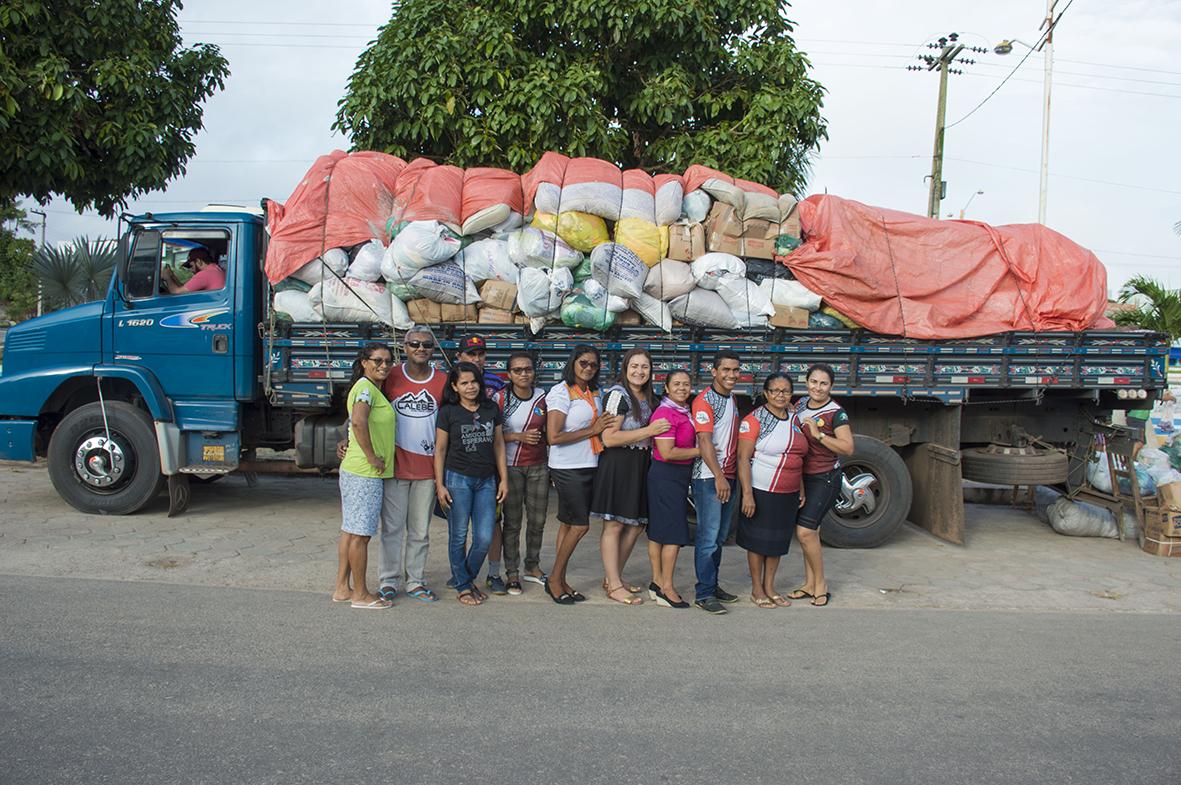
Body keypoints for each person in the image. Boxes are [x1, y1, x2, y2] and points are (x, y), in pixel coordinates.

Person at [339, 326, 447, 603]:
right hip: (394, 467)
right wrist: (346, 436)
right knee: (392, 530)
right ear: (405, 347)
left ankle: (415, 581)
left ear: (433, 349)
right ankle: (388, 581)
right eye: (414, 343)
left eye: (427, 344)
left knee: (420, 531)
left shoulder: (443, 381)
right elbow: (361, 412)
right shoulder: (390, 375)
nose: (421, 349)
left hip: (426, 470)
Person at [591, 348, 670, 605]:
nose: (639, 371)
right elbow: (609, 438)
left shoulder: (649, 397)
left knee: (635, 524)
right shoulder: (618, 394)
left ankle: (613, 577)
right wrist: (648, 430)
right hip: (619, 463)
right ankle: (613, 585)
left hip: (640, 463)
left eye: (644, 367)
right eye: (634, 366)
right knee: (614, 524)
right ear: (625, 368)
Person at [544, 344, 617, 605]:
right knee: (580, 525)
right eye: (583, 363)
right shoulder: (560, 392)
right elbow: (553, 437)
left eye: (593, 365)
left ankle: (561, 579)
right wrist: (593, 430)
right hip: (567, 467)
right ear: (573, 362)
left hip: (590, 464)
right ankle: (554, 579)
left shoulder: (595, 392)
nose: (587, 368)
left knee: (567, 523)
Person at [434, 361, 509, 606]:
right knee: (458, 536)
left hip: (487, 480)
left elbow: (499, 445)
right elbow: (440, 449)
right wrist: (440, 485)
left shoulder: (490, 408)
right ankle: (465, 586)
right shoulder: (448, 412)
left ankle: (463, 577)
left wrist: (503, 480)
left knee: (484, 538)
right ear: (454, 386)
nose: (470, 387)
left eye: (474, 381)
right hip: (457, 479)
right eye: (464, 383)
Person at [736, 373, 810, 608]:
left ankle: (770, 586)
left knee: (777, 542)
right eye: (775, 390)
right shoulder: (755, 420)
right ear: (766, 393)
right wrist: (747, 494)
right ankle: (757, 588)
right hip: (761, 489)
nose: (781, 395)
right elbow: (742, 458)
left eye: (786, 391)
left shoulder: (795, 419)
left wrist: (800, 487)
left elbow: (796, 455)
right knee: (758, 542)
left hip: (787, 492)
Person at [333, 343, 396, 609]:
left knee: (350, 531)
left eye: (388, 361)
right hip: (364, 472)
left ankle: (341, 588)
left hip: (355, 469)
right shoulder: (366, 389)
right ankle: (360, 594)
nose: (383, 366)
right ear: (364, 362)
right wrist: (371, 457)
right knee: (361, 535)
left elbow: (354, 424)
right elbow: (358, 421)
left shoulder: (368, 388)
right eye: (377, 361)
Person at [790, 363, 855, 607]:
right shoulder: (800, 405)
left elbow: (848, 447)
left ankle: (821, 585)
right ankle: (809, 584)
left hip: (825, 477)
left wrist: (819, 436)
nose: (818, 387)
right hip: (803, 477)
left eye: (823, 383)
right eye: (814, 382)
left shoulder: (836, 413)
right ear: (806, 382)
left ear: (831, 386)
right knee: (811, 533)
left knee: (805, 532)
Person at [456, 334, 512, 595]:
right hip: (457, 468)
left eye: (480, 354)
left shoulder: (497, 384)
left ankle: (492, 573)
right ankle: (462, 576)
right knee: (458, 529)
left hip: (488, 468)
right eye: (470, 354)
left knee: (491, 526)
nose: (476, 359)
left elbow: (502, 428)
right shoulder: (452, 383)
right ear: (460, 357)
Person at [690, 350, 743, 614]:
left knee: (720, 537)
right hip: (710, 478)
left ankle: (712, 584)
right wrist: (720, 476)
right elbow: (704, 441)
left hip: (728, 477)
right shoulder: (704, 401)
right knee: (708, 538)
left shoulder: (731, 398)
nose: (732, 375)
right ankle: (704, 594)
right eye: (726, 370)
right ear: (714, 372)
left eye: (735, 370)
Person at [493, 352, 549, 595]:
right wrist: (517, 436)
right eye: (518, 370)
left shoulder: (543, 397)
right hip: (510, 467)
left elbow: (552, 431)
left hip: (538, 466)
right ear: (509, 374)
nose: (524, 374)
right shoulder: (500, 398)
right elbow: (490, 435)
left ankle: (533, 566)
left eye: (528, 369)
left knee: (537, 520)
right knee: (513, 522)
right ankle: (512, 572)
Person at [645, 369, 699, 609]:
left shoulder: (684, 411)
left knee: (659, 531)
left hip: (673, 477)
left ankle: (657, 582)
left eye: (686, 384)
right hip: (667, 476)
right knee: (673, 534)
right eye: (676, 384)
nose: (681, 388)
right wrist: (702, 452)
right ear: (666, 388)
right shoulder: (666, 413)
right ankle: (667, 587)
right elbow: (667, 453)